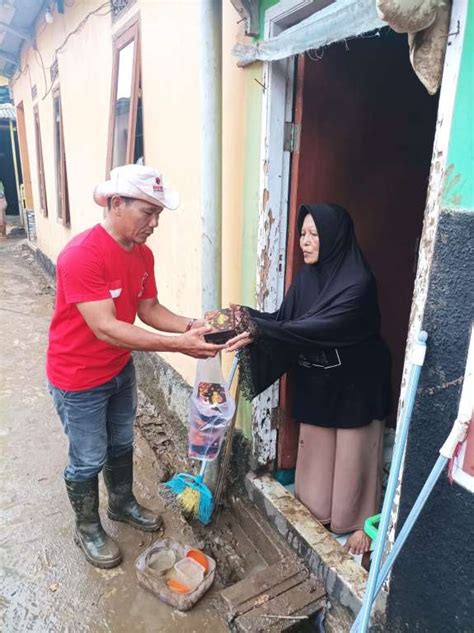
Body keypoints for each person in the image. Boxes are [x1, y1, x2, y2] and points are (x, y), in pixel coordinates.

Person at [47, 164, 225, 569]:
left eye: (159, 214)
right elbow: (107, 328)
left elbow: (149, 308)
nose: (155, 223)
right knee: (89, 457)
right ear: (115, 204)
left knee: (122, 442)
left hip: (117, 370)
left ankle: (122, 503)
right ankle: (87, 527)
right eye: (148, 212)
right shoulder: (81, 255)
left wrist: (193, 327)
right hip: (78, 378)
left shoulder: (143, 254)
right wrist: (177, 345)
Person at [228, 204, 392, 555]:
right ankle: (318, 509)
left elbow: (320, 327)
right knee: (317, 447)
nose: (304, 241)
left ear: (334, 237)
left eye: (313, 234)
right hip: (319, 377)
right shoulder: (306, 278)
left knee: (354, 451)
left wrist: (262, 329)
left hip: (357, 382)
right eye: (302, 233)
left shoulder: (358, 284)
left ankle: (358, 522)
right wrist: (245, 319)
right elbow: (284, 319)